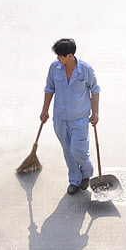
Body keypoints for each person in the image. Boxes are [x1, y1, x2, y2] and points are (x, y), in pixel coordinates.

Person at [39, 38, 100, 195]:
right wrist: (45, 110)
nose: (58, 58)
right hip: (60, 118)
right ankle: (74, 179)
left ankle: (86, 173)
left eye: (60, 56)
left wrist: (96, 113)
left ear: (70, 56)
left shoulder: (85, 69)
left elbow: (95, 90)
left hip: (79, 118)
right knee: (67, 150)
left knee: (78, 149)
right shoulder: (55, 67)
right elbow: (49, 88)